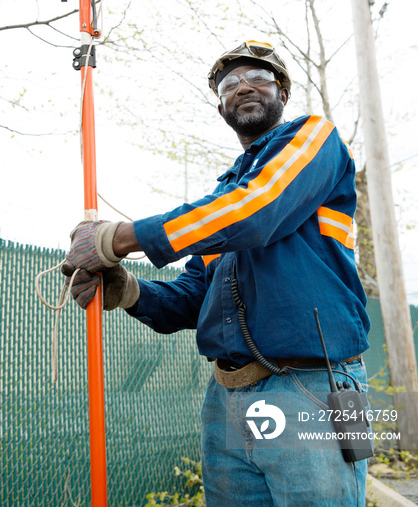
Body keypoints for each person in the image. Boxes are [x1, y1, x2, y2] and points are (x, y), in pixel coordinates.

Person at [63, 40, 371, 507]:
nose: (243, 86)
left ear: (283, 93)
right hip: (227, 400)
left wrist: (117, 238)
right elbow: (192, 298)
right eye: (229, 84)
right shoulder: (220, 202)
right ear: (221, 105)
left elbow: (255, 210)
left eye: (259, 78)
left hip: (310, 387)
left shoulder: (314, 140)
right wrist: (127, 290)